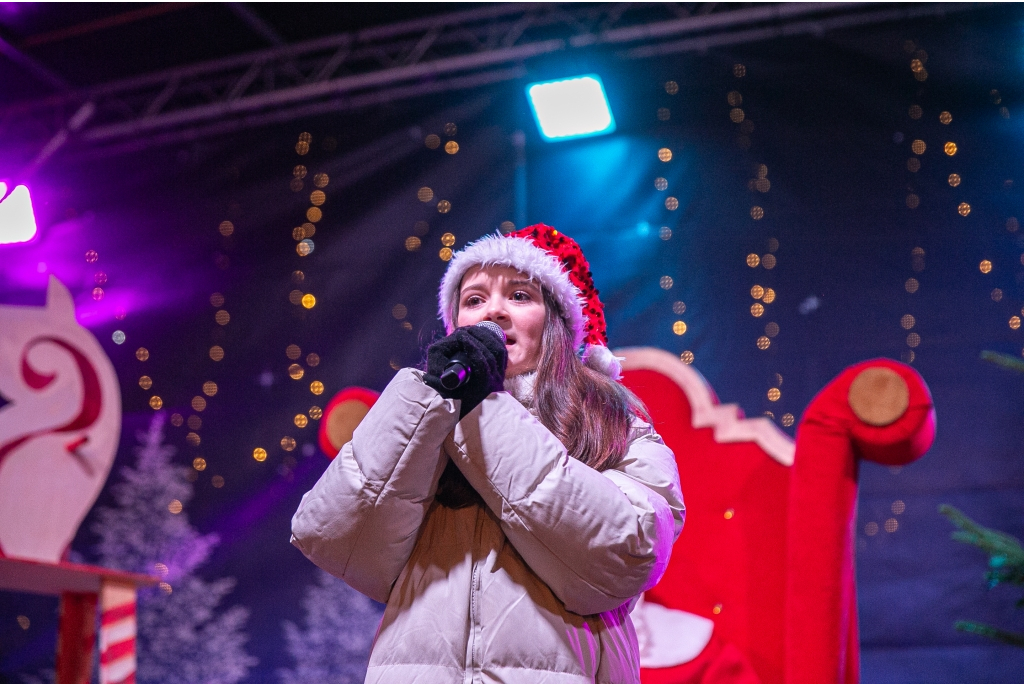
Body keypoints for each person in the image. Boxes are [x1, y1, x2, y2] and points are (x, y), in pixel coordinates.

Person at [291, 224, 685, 684]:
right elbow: (334, 539)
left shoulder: (614, 423)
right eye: (474, 300)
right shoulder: (423, 417)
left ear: (557, 322)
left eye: (520, 295)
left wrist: (486, 410)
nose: (493, 311)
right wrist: (426, 402)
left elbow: (626, 555)